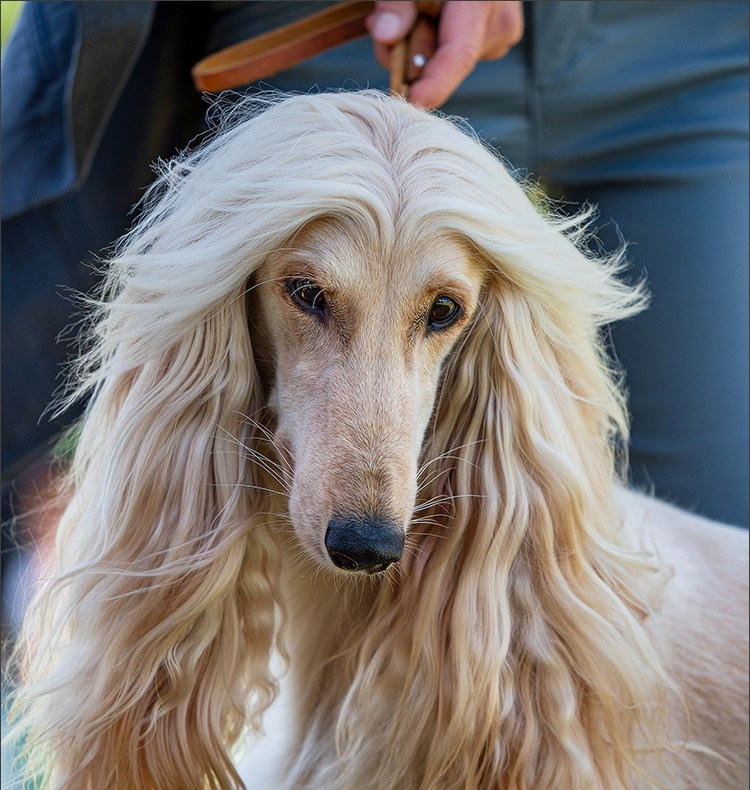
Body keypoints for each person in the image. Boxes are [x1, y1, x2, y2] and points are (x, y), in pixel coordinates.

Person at [2, 1, 747, 527]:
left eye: (444, 313)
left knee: (715, 528)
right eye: (312, 295)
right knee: (223, 508)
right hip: (332, 24)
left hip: (682, 47)